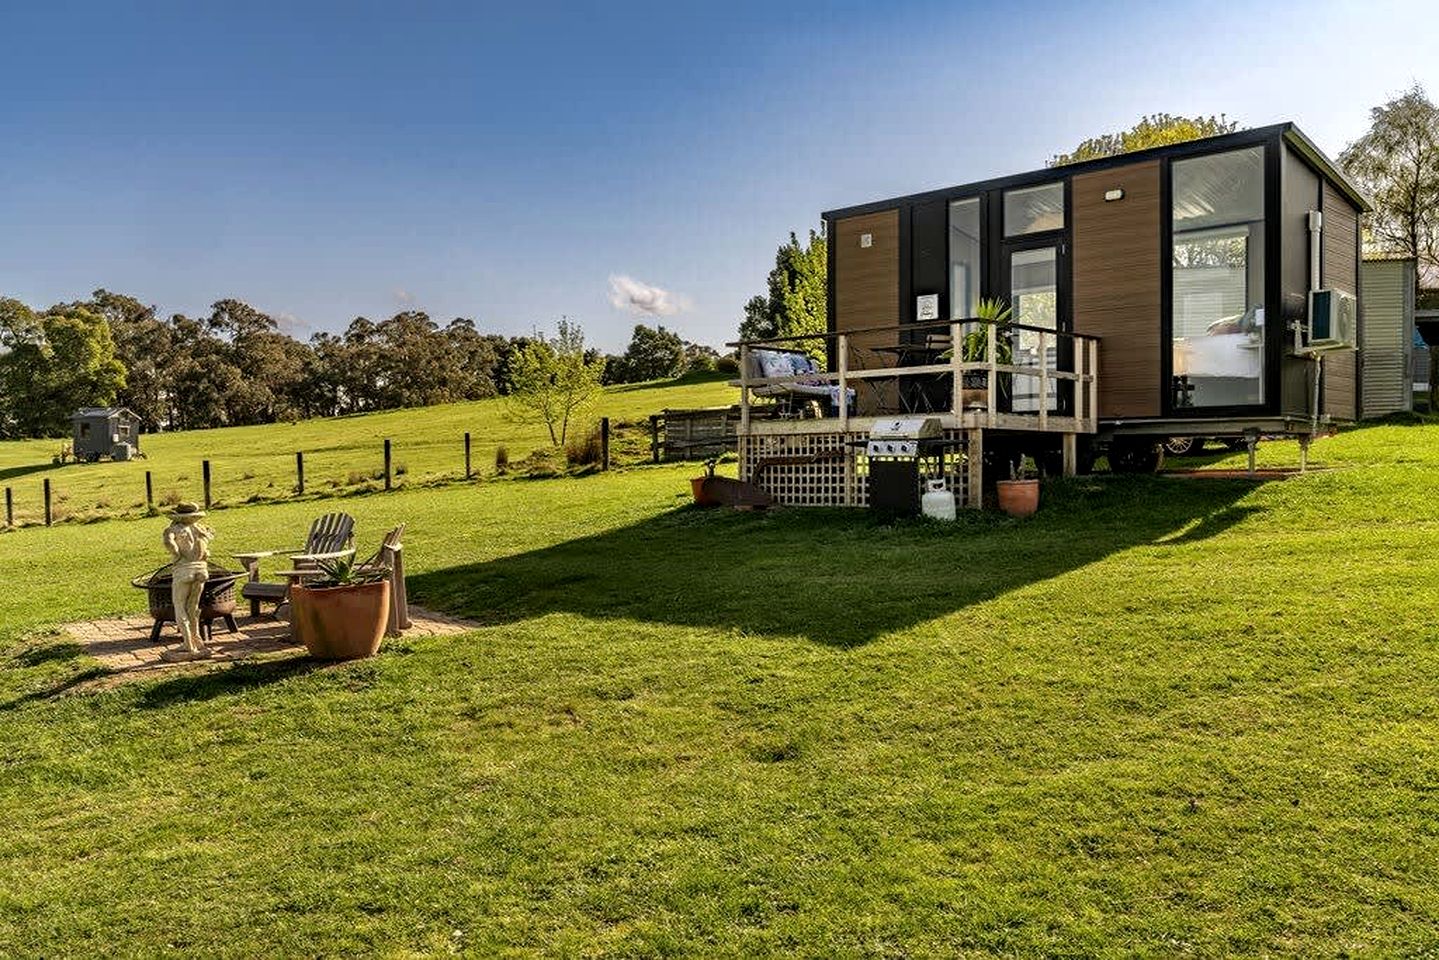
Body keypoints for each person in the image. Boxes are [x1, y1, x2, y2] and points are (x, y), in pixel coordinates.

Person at [161, 502, 214, 662]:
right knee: (193, 606)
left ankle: (189, 646)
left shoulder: (173, 530)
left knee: (180, 607)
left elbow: (169, 543)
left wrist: (176, 555)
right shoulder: (200, 529)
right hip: (201, 570)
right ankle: (197, 640)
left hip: (184, 570)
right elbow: (206, 551)